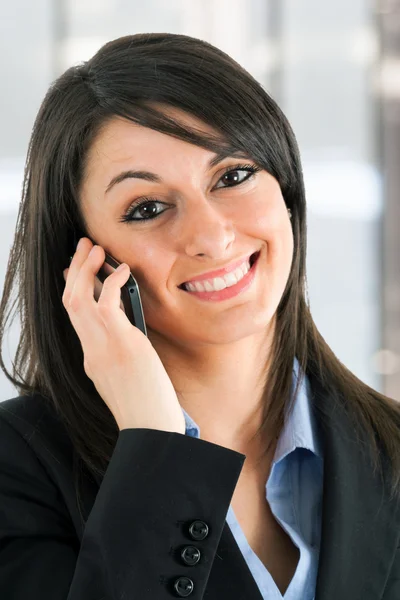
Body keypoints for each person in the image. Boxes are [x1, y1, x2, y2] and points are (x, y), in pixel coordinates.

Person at [0, 32, 399, 600]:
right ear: (83, 261)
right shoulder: (17, 471)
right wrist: (155, 445)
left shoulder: (390, 452)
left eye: (233, 176)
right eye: (148, 208)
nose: (212, 237)